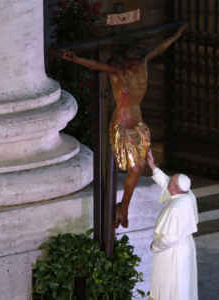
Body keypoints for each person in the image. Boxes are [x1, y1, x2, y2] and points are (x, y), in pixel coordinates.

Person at [57, 24, 187, 228]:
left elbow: (159, 49)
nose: (135, 65)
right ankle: (123, 207)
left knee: (139, 168)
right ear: (127, 61)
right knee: (135, 168)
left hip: (138, 124)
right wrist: (75, 59)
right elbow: (95, 65)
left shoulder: (143, 63)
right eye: (132, 62)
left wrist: (176, 35)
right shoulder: (118, 73)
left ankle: (124, 206)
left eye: (137, 60)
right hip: (123, 124)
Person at [146, 150, 199, 300]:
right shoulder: (187, 194)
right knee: (182, 287)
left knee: (171, 288)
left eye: (171, 181)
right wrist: (152, 166)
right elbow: (167, 182)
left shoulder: (176, 208)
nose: (168, 181)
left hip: (172, 253)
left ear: (174, 188)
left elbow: (169, 238)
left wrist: (154, 246)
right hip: (184, 246)